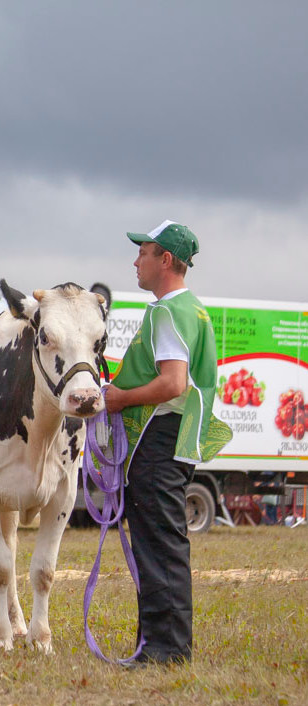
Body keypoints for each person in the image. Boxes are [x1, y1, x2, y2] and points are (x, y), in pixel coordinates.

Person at [104, 220, 229, 667]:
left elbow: (173, 383)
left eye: (144, 252)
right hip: (178, 438)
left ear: (167, 261)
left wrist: (119, 398)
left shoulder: (165, 312)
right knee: (166, 542)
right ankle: (162, 643)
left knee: (157, 543)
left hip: (156, 439)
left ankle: (163, 650)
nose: (135, 260)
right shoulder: (194, 310)